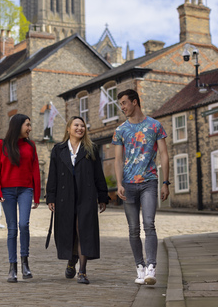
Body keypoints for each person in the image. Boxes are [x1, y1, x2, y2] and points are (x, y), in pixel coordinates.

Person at [112, 89, 170, 286]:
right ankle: (140, 267)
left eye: (124, 103)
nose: (122, 107)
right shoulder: (120, 130)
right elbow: (118, 159)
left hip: (149, 182)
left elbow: (164, 154)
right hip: (128, 185)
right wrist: (119, 184)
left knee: (149, 224)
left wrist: (165, 182)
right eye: (120, 104)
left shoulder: (155, 126)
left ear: (135, 102)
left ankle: (151, 267)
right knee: (133, 229)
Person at [46, 116, 109, 285]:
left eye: (83, 125)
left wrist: (102, 196)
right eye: (76, 125)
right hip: (64, 197)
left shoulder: (91, 149)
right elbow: (53, 175)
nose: (80, 128)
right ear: (68, 128)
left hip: (86, 196)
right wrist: (50, 196)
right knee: (70, 231)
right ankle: (71, 261)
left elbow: (98, 174)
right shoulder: (58, 150)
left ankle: (82, 271)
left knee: (84, 232)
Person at [0, 114, 40, 283]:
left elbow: (35, 170)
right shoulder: (1, 145)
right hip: (7, 191)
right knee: (12, 229)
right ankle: (12, 267)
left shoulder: (31, 146)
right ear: (18, 125)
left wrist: (37, 195)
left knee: (23, 224)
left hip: (25, 190)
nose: (30, 128)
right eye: (27, 125)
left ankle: (25, 263)